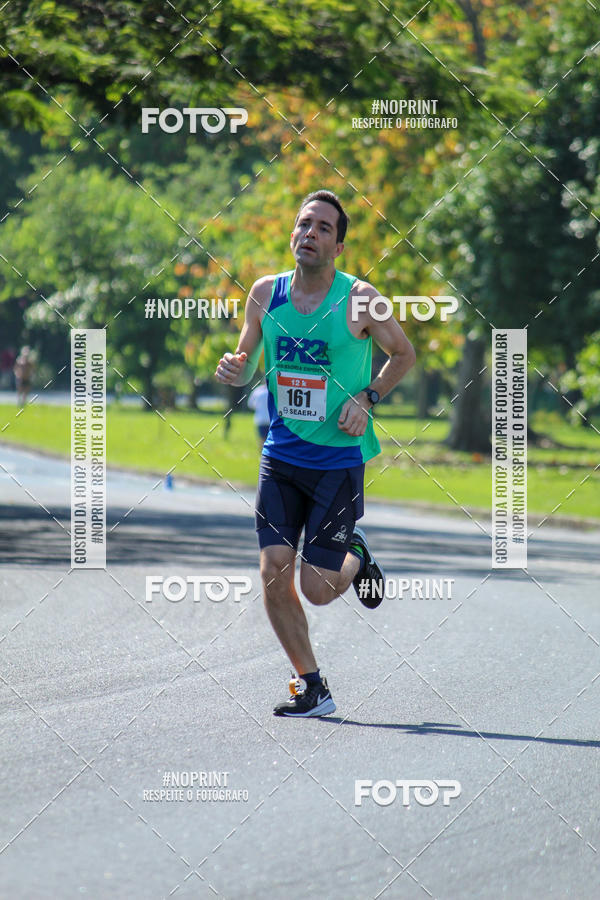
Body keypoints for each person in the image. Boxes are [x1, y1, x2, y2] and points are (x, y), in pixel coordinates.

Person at [215, 189, 416, 717]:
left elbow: (403, 353)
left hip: (337, 463)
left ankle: (357, 554)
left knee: (318, 588)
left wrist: (367, 397)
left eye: (324, 227)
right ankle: (311, 685)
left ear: (340, 246)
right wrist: (234, 367)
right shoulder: (264, 293)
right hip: (281, 455)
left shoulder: (361, 299)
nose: (311, 233)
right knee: (274, 570)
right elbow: (246, 350)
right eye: (305, 224)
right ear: (292, 235)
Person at [247, 382, 271, 448]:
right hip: (271, 420)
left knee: (262, 440)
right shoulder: (274, 391)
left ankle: (262, 456)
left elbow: (250, 405)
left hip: (260, 419)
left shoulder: (257, 391)